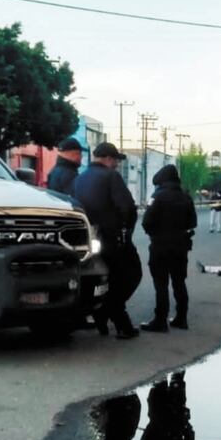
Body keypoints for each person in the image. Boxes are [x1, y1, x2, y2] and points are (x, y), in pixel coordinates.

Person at [74, 142, 141, 339]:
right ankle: (119, 321)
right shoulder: (111, 176)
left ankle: (101, 317)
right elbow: (127, 207)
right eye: (116, 161)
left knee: (103, 279)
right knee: (129, 276)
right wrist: (127, 229)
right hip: (112, 238)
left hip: (90, 238)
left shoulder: (80, 179)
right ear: (108, 159)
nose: (117, 165)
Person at [141, 164, 197, 332]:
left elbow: (146, 222)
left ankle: (160, 320)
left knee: (161, 283)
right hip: (180, 247)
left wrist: (155, 235)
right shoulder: (186, 197)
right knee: (179, 282)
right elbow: (192, 223)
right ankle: (181, 318)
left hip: (160, 246)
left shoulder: (157, 197)